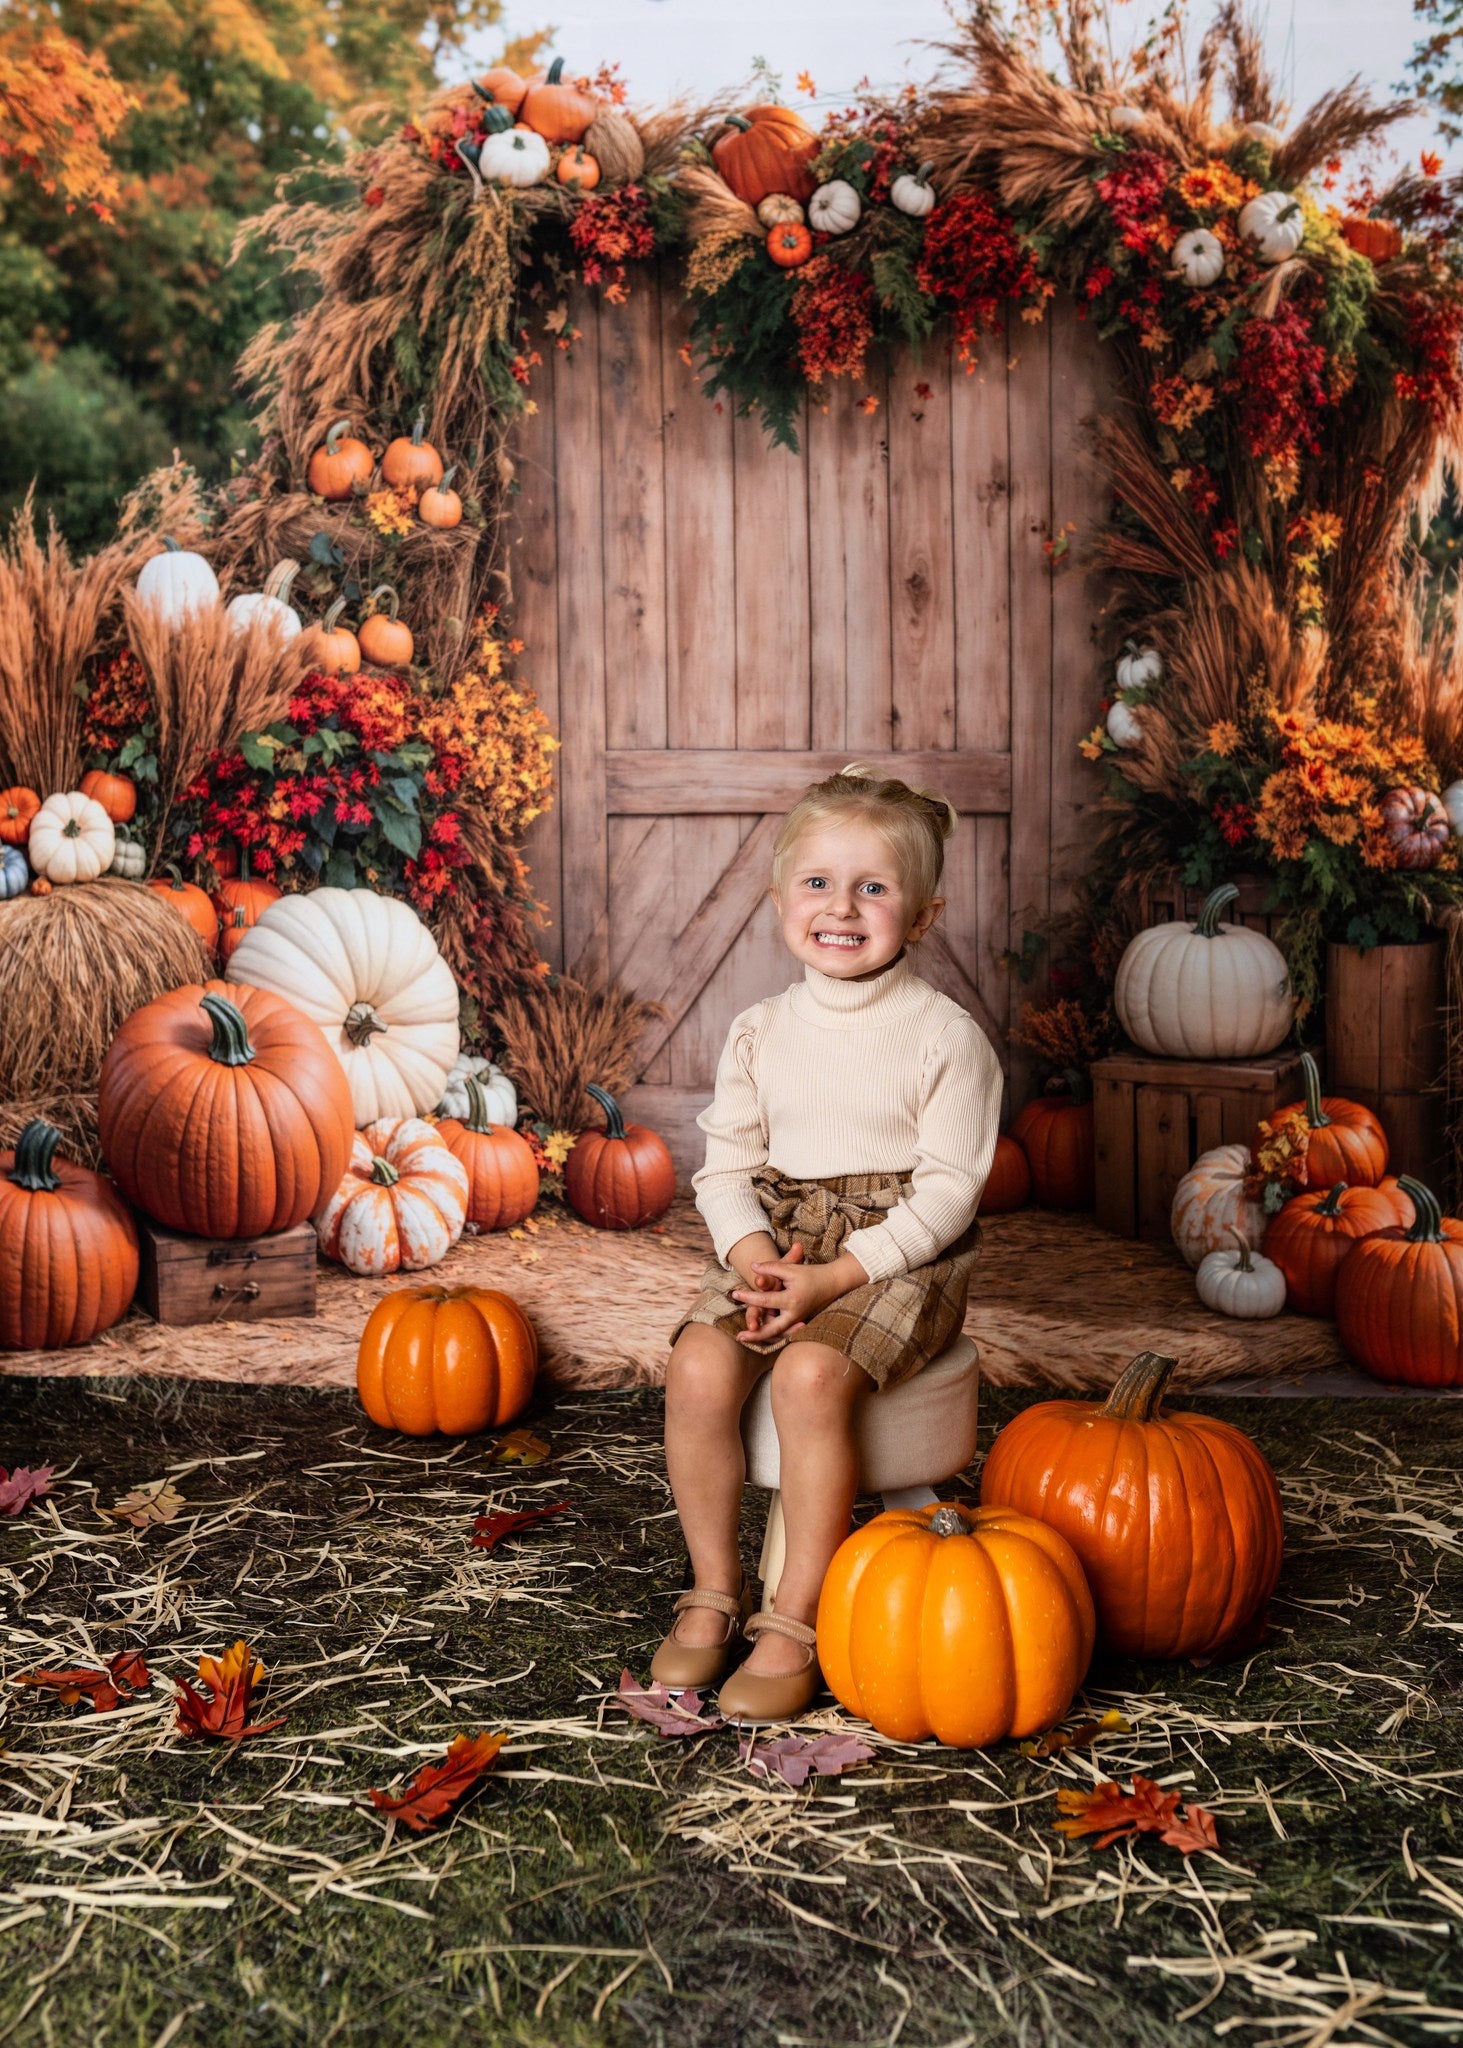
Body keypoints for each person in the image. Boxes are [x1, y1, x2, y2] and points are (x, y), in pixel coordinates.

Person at [651, 761, 1004, 1721]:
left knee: (809, 1378)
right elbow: (725, 1171)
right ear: (779, 901)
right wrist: (754, 1263)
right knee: (696, 1366)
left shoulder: (944, 1038)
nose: (840, 907)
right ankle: (714, 1587)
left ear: (921, 916)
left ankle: (794, 1616)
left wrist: (835, 1279)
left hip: (900, 1251)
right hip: (782, 1242)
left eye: (873, 888)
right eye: (817, 882)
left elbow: (948, 1196)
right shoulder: (758, 1032)